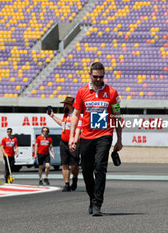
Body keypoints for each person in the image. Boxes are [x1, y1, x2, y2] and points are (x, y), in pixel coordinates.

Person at [69, 62, 123, 217]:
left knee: (100, 167)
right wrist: (73, 136)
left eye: (101, 77)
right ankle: (92, 198)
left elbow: (117, 116)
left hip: (105, 135)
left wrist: (119, 139)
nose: (98, 79)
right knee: (86, 170)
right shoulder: (82, 91)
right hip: (86, 136)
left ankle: (98, 203)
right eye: (95, 77)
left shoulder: (112, 92)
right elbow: (75, 115)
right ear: (90, 75)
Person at [49, 97, 83, 192]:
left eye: (66, 104)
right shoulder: (65, 115)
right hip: (63, 143)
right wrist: (53, 116)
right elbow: (62, 124)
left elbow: (78, 130)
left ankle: (75, 178)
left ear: (71, 105)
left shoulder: (78, 116)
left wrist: (74, 142)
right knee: (64, 164)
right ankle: (66, 184)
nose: (64, 106)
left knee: (74, 165)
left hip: (74, 143)